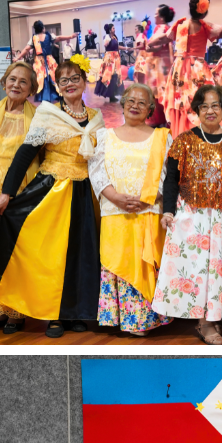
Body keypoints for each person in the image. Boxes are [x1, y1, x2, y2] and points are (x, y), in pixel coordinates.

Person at [0, 57, 104, 339]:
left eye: (75, 78)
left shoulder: (97, 118)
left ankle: (74, 312)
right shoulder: (49, 113)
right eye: (64, 80)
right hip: (51, 190)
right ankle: (52, 315)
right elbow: (24, 155)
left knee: (80, 255)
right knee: (49, 257)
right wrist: (7, 194)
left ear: (84, 82)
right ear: (57, 86)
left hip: (84, 193)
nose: (70, 84)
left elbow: (102, 159)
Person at [151, 84, 222, 344]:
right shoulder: (184, 140)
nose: (210, 111)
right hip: (193, 216)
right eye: (203, 106)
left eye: (215, 105)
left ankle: (214, 317)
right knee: (199, 270)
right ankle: (204, 324)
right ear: (196, 111)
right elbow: (171, 179)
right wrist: (168, 211)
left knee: (220, 268)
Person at [88, 83, 173, 336]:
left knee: (146, 264)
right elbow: (96, 170)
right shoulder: (105, 136)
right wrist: (115, 197)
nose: (135, 105)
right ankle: (122, 318)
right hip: (115, 212)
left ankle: (145, 319)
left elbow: (167, 175)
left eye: (142, 102)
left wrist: (147, 199)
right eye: (131, 101)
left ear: (150, 109)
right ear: (122, 104)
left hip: (148, 211)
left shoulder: (162, 137)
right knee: (119, 261)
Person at [0, 62, 39, 335]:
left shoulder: (38, 119)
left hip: (17, 195)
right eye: (12, 79)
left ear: (31, 90)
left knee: (13, 254)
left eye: (23, 82)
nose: (16, 84)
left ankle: (16, 313)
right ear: (4, 81)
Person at [155, 0, 222, 138]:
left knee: (181, 103)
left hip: (179, 70)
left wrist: (150, 43)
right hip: (197, 69)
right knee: (201, 100)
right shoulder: (206, 27)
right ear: (204, 11)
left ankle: (182, 135)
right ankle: (202, 135)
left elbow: (164, 39)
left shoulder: (179, 25)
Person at [15, 20, 77, 103]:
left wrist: (18, 58)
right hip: (49, 59)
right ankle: (55, 94)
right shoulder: (49, 35)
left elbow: (26, 48)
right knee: (53, 75)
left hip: (39, 61)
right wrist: (70, 36)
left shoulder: (34, 38)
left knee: (41, 77)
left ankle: (43, 95)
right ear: (43, 28)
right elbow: (59, 38)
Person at [95, 23, 122, 102]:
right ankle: (110, 95)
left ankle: (112, 95)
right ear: (110, 30)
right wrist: (107, 38)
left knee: (116, 76)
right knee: (109, 76)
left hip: (116, 58)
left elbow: (117, 47)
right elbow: (105, 44)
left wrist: (127, 48)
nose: (115, 29)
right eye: (113, 28)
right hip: (110, 59)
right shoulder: (107, 37)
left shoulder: (114, 37)